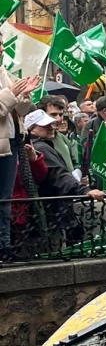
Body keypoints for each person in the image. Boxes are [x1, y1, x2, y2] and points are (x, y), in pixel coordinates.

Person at [0, 35, 40, 256]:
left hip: (11, 143)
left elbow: (21, 111)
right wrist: (11, 94)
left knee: (5, 198)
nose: (2, 48)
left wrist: (25, 94)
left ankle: (4, 247)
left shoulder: (4, 73)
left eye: (2, 44)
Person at [27, 106, 103, 201]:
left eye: (50, 124)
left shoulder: (45, 144)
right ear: (31, 129)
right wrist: (83, 190)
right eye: (44, 125)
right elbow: (58, 175)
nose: (51, 127)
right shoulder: (40, 147)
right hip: (53, 204)